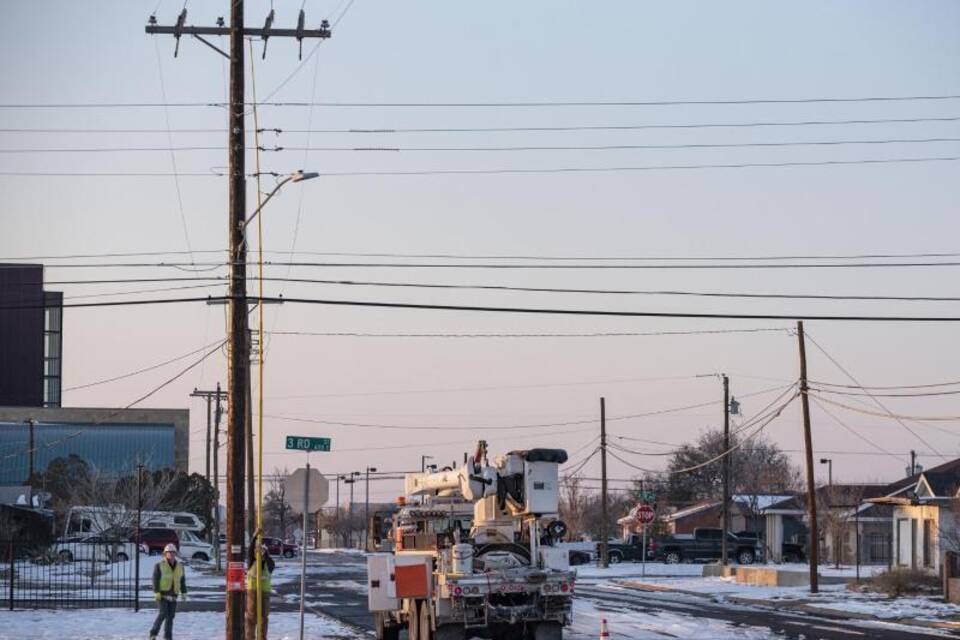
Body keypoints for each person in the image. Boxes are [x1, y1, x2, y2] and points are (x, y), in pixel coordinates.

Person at [150, 543, 188, 640]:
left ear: (175, 554)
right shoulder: (159, 565)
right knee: (163, 613)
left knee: (170, 617)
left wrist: (184, 592)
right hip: (162, 595)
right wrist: (156, 591)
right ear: (165, 554)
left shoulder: (180, 566)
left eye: (172, 552)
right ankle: (153, 634)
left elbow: (182, 580)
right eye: (168, 552)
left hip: (174, 595)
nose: (170, 554)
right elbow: (155, 579)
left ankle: (168, 636)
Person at [245, 538, 275, 640]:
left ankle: (262, 638)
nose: (257, 551)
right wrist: (254, 538)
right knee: (251, 618)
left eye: (260, 550)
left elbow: (271, 564)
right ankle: (250, 638)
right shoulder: (252, 561)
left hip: (265, 593)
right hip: (252, 592)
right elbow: (249, 551)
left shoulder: (269, 563)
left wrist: (264, 553)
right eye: (256, 550)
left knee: (263, 618)